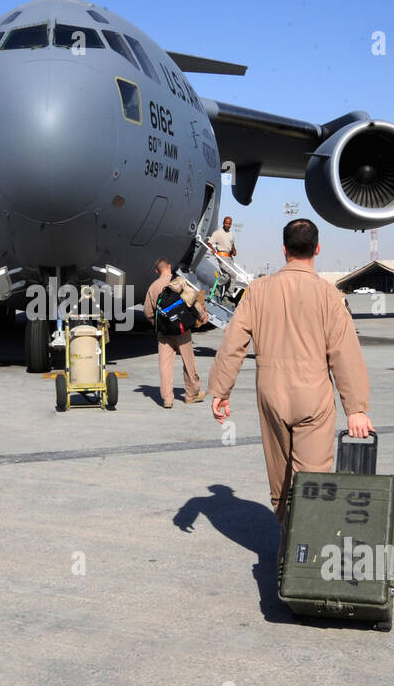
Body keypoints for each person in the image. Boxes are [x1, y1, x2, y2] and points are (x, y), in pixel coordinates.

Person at [206, 219, 374, 518]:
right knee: (313, 485)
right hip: (314, 398)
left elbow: (233, 342)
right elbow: (344, 353)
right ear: (317, 249)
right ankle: (305, 556)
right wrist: (356, 408)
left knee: (281, 482)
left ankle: (286, 548)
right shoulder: (329, 296)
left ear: (284, 250)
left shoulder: (258, 290)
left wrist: (221, 389)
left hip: (271, 395)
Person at [143, 258, 208, 408]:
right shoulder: (179, 281)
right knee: (188, 362)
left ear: (156, 271)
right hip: (182, 330)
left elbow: (147, 312)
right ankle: (191, 394)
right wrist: (202, 316)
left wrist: (158, 324)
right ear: (170, 267)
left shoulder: (153, 287)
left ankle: (167, 399)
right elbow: (191, 300)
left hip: (164, 333)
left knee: (165, 366)